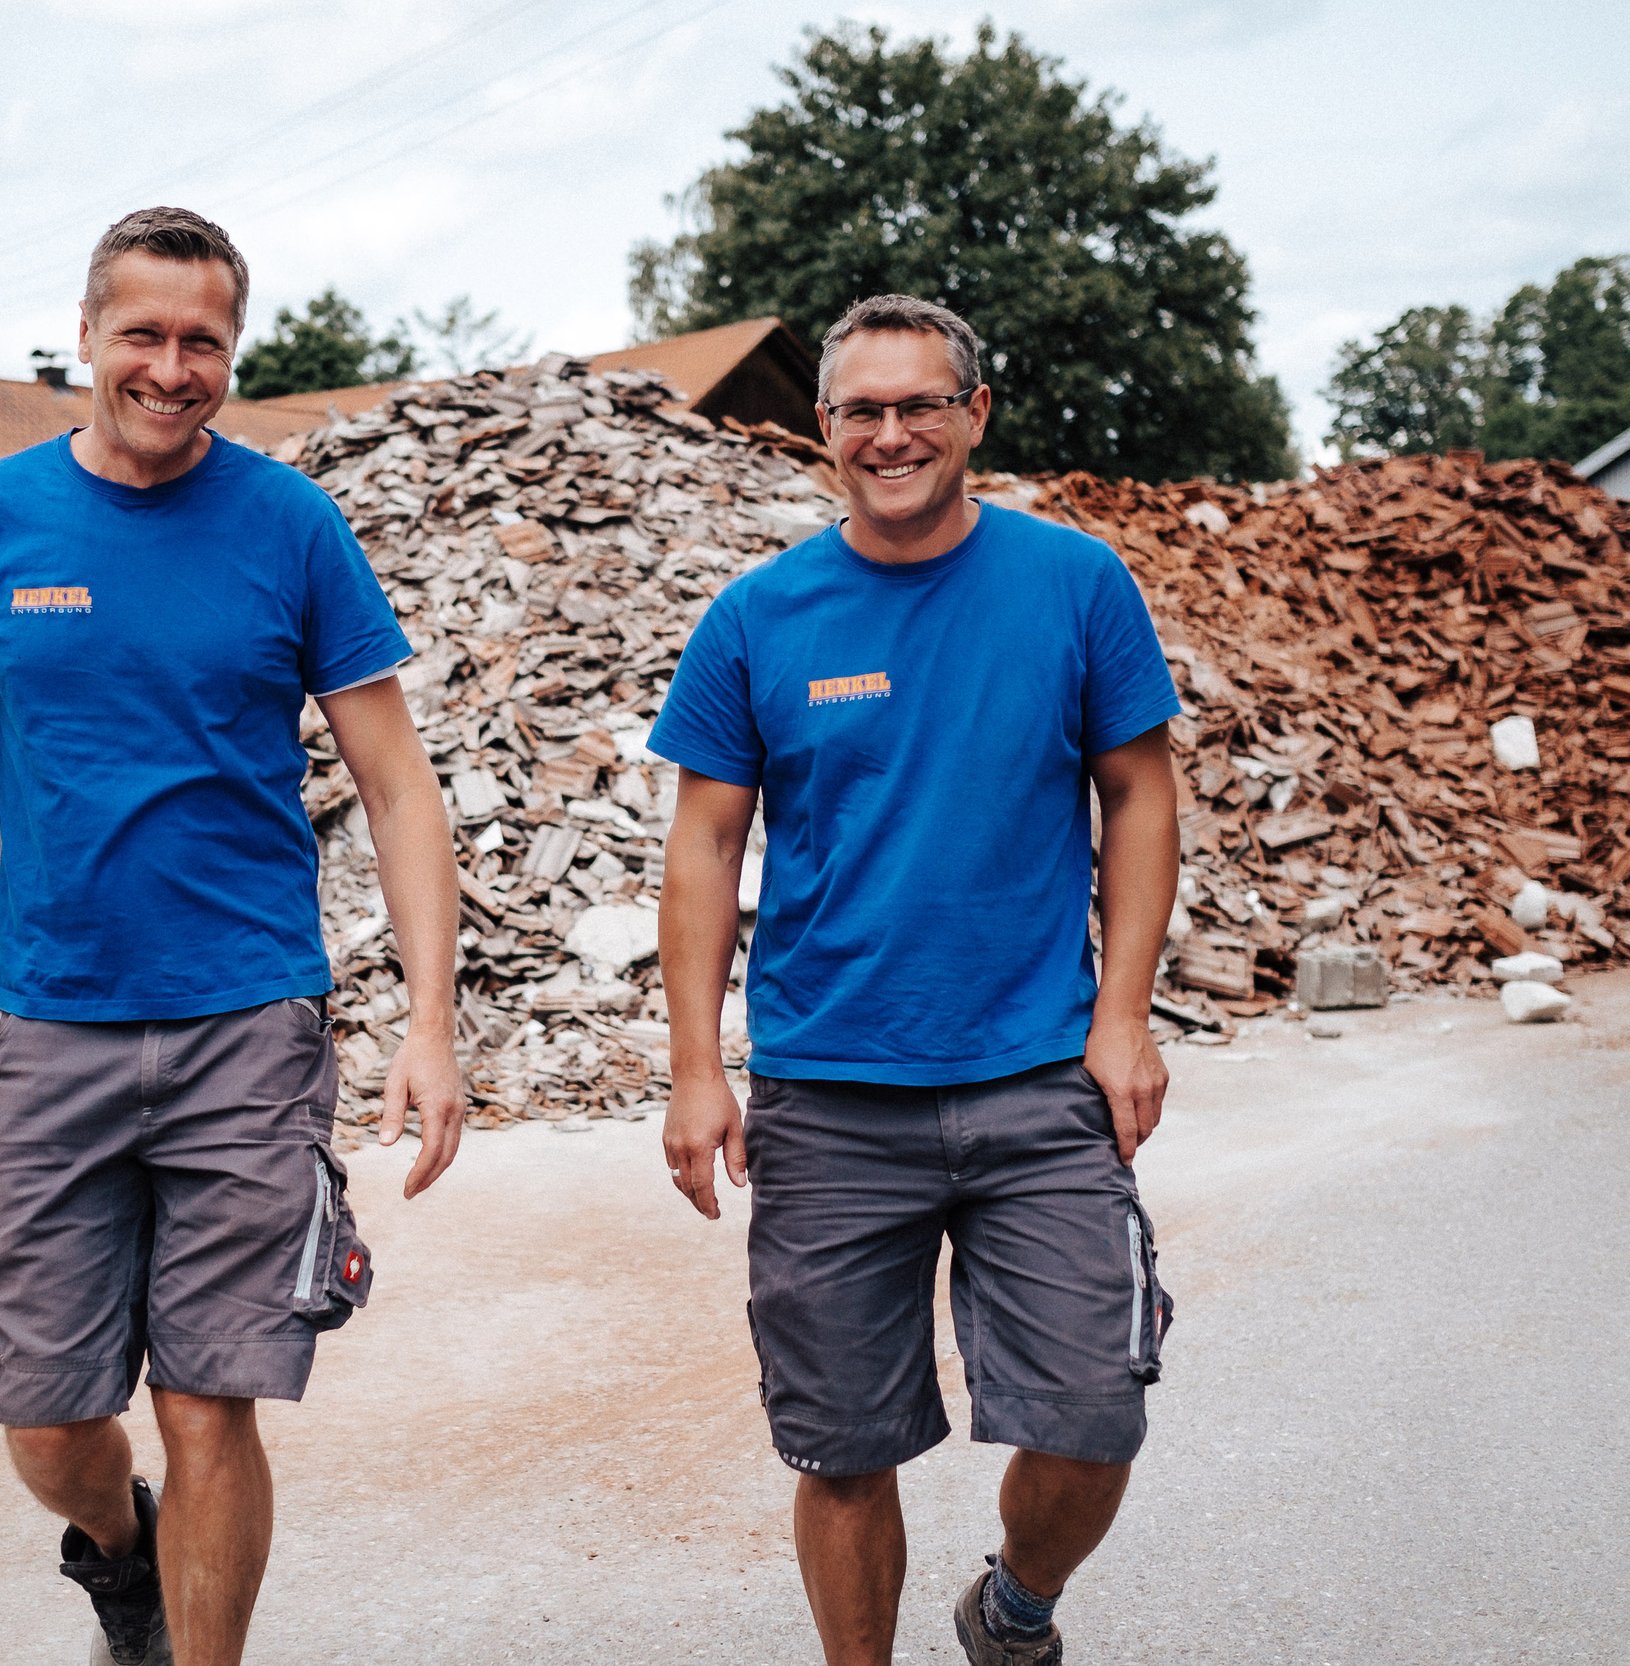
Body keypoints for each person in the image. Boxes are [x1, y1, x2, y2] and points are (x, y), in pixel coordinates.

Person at [0, 205, 467, 1666]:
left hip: (253, 1019)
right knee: (47, 1411)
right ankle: (124, 1553)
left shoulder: (291, 525)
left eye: (205, 341)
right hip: (52, 1022)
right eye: (146, 334)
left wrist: (432, 1019)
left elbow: (396, 785)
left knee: (209, 1391)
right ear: (88, 338)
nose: (174, 368)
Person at [651, 293, 1182, 1666]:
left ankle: (1015, 1604)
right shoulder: (759, 618)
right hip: (829, 1094)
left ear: (976, 414)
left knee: (1091, 1409)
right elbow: (706, 842)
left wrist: (1122, 1017)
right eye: (862, 411)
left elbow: (1139, 795)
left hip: (1038, 1077)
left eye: (921, 404)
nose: (893, 434)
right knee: (841, 1444)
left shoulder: (1074, 584)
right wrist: (701, 1068)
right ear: (823, 429)